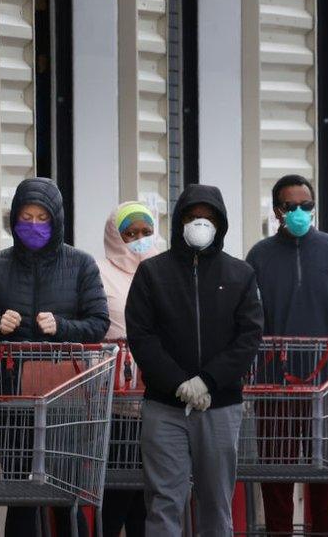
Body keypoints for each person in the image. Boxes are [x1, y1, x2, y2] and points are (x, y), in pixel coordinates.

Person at [0, 177, 109, 537]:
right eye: (25, 216)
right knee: (20, 493)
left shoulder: (81, 265)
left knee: (65, 491)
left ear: (56, 220)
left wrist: (61, 326)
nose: (32, 225)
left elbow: (98, 323)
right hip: (12, 398)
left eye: (41, 218)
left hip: (65, 399)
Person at [125, 184, 263, 537]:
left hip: (220, 407)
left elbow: (248, 337)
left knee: (216, 502)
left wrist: (207, 381)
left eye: (208, 217)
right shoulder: (152, 273)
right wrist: (178, 383)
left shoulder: (240, 274)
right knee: (163, 501)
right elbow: (142, 336)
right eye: (192, 216)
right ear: (179, 221)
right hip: (164, 406)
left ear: (220, 223)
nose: (200, 223)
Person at [245, 174, 328, 536]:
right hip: (275, 386)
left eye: (307, 206)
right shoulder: (259, 255)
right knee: (276, 475)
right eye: (291, 206)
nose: (300, 212)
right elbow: (248, 320)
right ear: (277, 210)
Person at [97, 201, 161, 536]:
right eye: (130, 233)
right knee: (117, 492)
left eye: (146, 232)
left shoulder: (165, 270)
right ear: (115, 235)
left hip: (161, 399)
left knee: (148, 498)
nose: (139, 239)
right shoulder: (99, 272)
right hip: (118, 403)